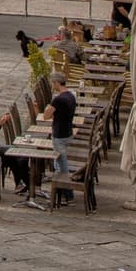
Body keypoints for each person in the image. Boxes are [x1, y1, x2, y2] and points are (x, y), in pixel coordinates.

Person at [39, 73, 77, 202]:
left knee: (62, 165)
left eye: (53, 83)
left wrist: (47, 108)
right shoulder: (71, 96)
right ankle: (58, 192)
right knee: (58, 162)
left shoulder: (58, 99)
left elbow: (46, 116)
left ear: (56, 83)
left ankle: (68, 194)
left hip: (59, 134)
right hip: (68, 132)